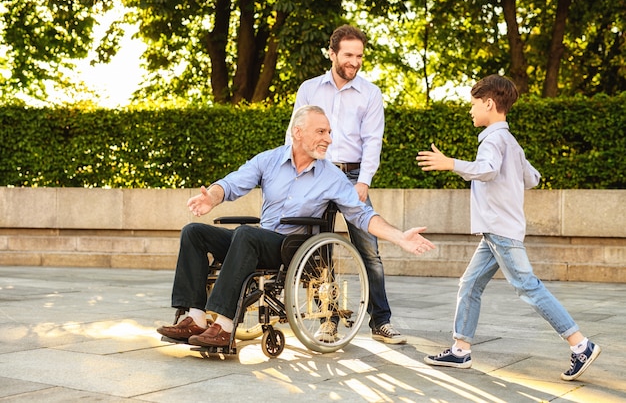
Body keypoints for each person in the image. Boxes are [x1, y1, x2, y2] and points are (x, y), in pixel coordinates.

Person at [157, 105, 436, 348]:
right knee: (194, 232)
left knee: (245, 234)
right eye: (321, 132)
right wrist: (212, 197)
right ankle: (195, 317)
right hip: (255, 240)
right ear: (298, 132)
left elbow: (362, 215)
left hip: (288, 247)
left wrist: (399, 237)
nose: (328, 139)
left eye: (329, 132)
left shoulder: (332, 177)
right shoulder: (269, 159)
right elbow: (233, 183)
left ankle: (224, 326)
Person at [415, 74, 601, 381]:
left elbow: (487, 170)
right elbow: (533, 178)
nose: (470, 111)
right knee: (470, 284)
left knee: (528, 286)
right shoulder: (509, 142)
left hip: (500, 230)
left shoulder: (494, 139)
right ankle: (460, 351)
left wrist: (452, 163)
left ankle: (580, 344)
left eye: (473, 104)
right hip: (495, 230)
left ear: (489, 103)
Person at [284, 25, 405, 344]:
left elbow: (373, 141)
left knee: (369, 250)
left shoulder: (370, 93)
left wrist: (363, 181)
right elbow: (294, 134)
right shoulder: (309, 89)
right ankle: (327, 319)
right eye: (348, 55)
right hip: (316, 174)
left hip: (352, 177)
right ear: (332, 53)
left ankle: (381, 321)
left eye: (359, 56)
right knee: (316, 250)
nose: (354, 61)